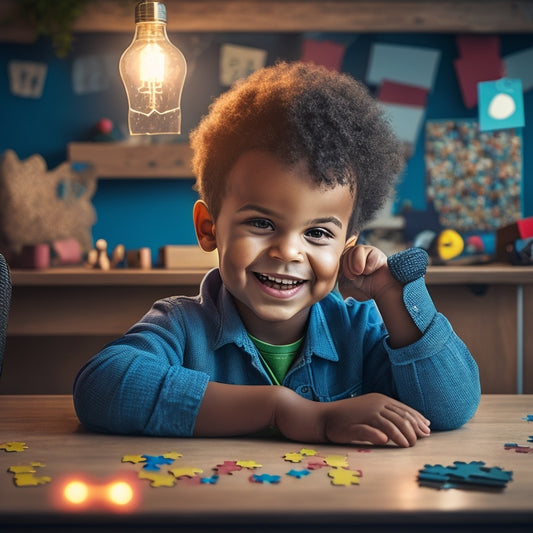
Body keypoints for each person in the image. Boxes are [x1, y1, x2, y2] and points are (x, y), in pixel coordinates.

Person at [73, 62, 480, 448]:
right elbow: (100, 387)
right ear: (209, 228)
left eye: (318, 233)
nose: (287, 251)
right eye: (262, 223)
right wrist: (285, 410)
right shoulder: (181, 326)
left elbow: (451, 408)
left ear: (347, 245)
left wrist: (395, 298)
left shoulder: (359, 330)